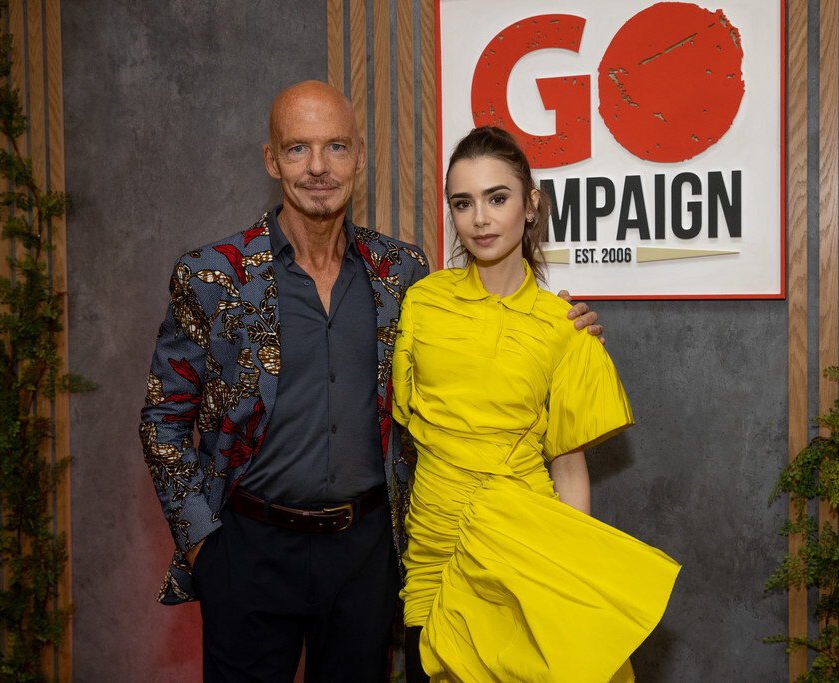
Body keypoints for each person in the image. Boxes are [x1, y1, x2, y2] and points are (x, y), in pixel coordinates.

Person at [139, 81, 601, 682]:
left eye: (336, 146)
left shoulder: (402, 273)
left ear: (359, 156)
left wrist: (561, 324)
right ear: (271, 160)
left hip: (366, 557)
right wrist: (205, 545)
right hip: (248, 552)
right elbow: (163, 419)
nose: (318, 167)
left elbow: (475, 339)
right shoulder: (212, 275)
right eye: (298, 148)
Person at [392, 126, 681, 682]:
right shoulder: (421, 304)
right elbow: (406, 425)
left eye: (497, 198)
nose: (480, 219)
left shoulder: (564, 326)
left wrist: (570, 575)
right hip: (434, 556)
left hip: (521, 552)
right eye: (463, 203)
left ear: (530, 205)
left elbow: (568, 468)